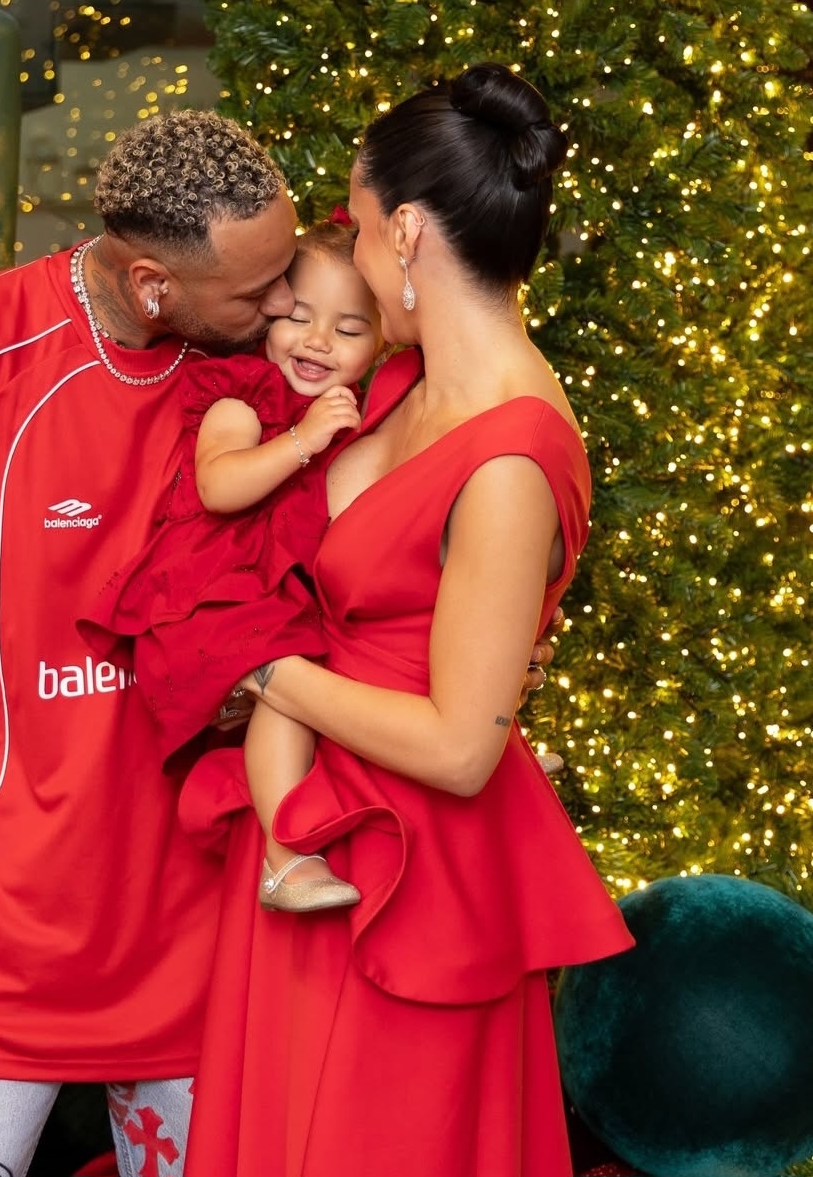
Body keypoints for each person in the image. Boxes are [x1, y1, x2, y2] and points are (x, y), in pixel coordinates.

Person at [0, 107, 555, 1177]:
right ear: (153, 286)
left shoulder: (283, 374)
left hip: (204, 952)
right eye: (262, 295)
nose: (288, 310)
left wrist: (496, 635)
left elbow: (403, 537)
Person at [179, 65, 635, 1177]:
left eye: (357, 221)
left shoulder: (512, 456)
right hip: (306, 844)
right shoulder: (396, 380)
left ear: (411, 231)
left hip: (408, 881)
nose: (348, 248)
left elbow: (461, 747)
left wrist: (261, 667)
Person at [84, 220, 381, 913]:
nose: (317, 341)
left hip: (284, 594)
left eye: (348, 329)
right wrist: (303, 440)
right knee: (290, 683)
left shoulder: (363, 413)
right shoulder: (242, 393)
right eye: (299, 318)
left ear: (381, 342)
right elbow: (218, 485)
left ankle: (476, 761)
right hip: (214, 595)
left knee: (363, 650)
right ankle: (285, 854)